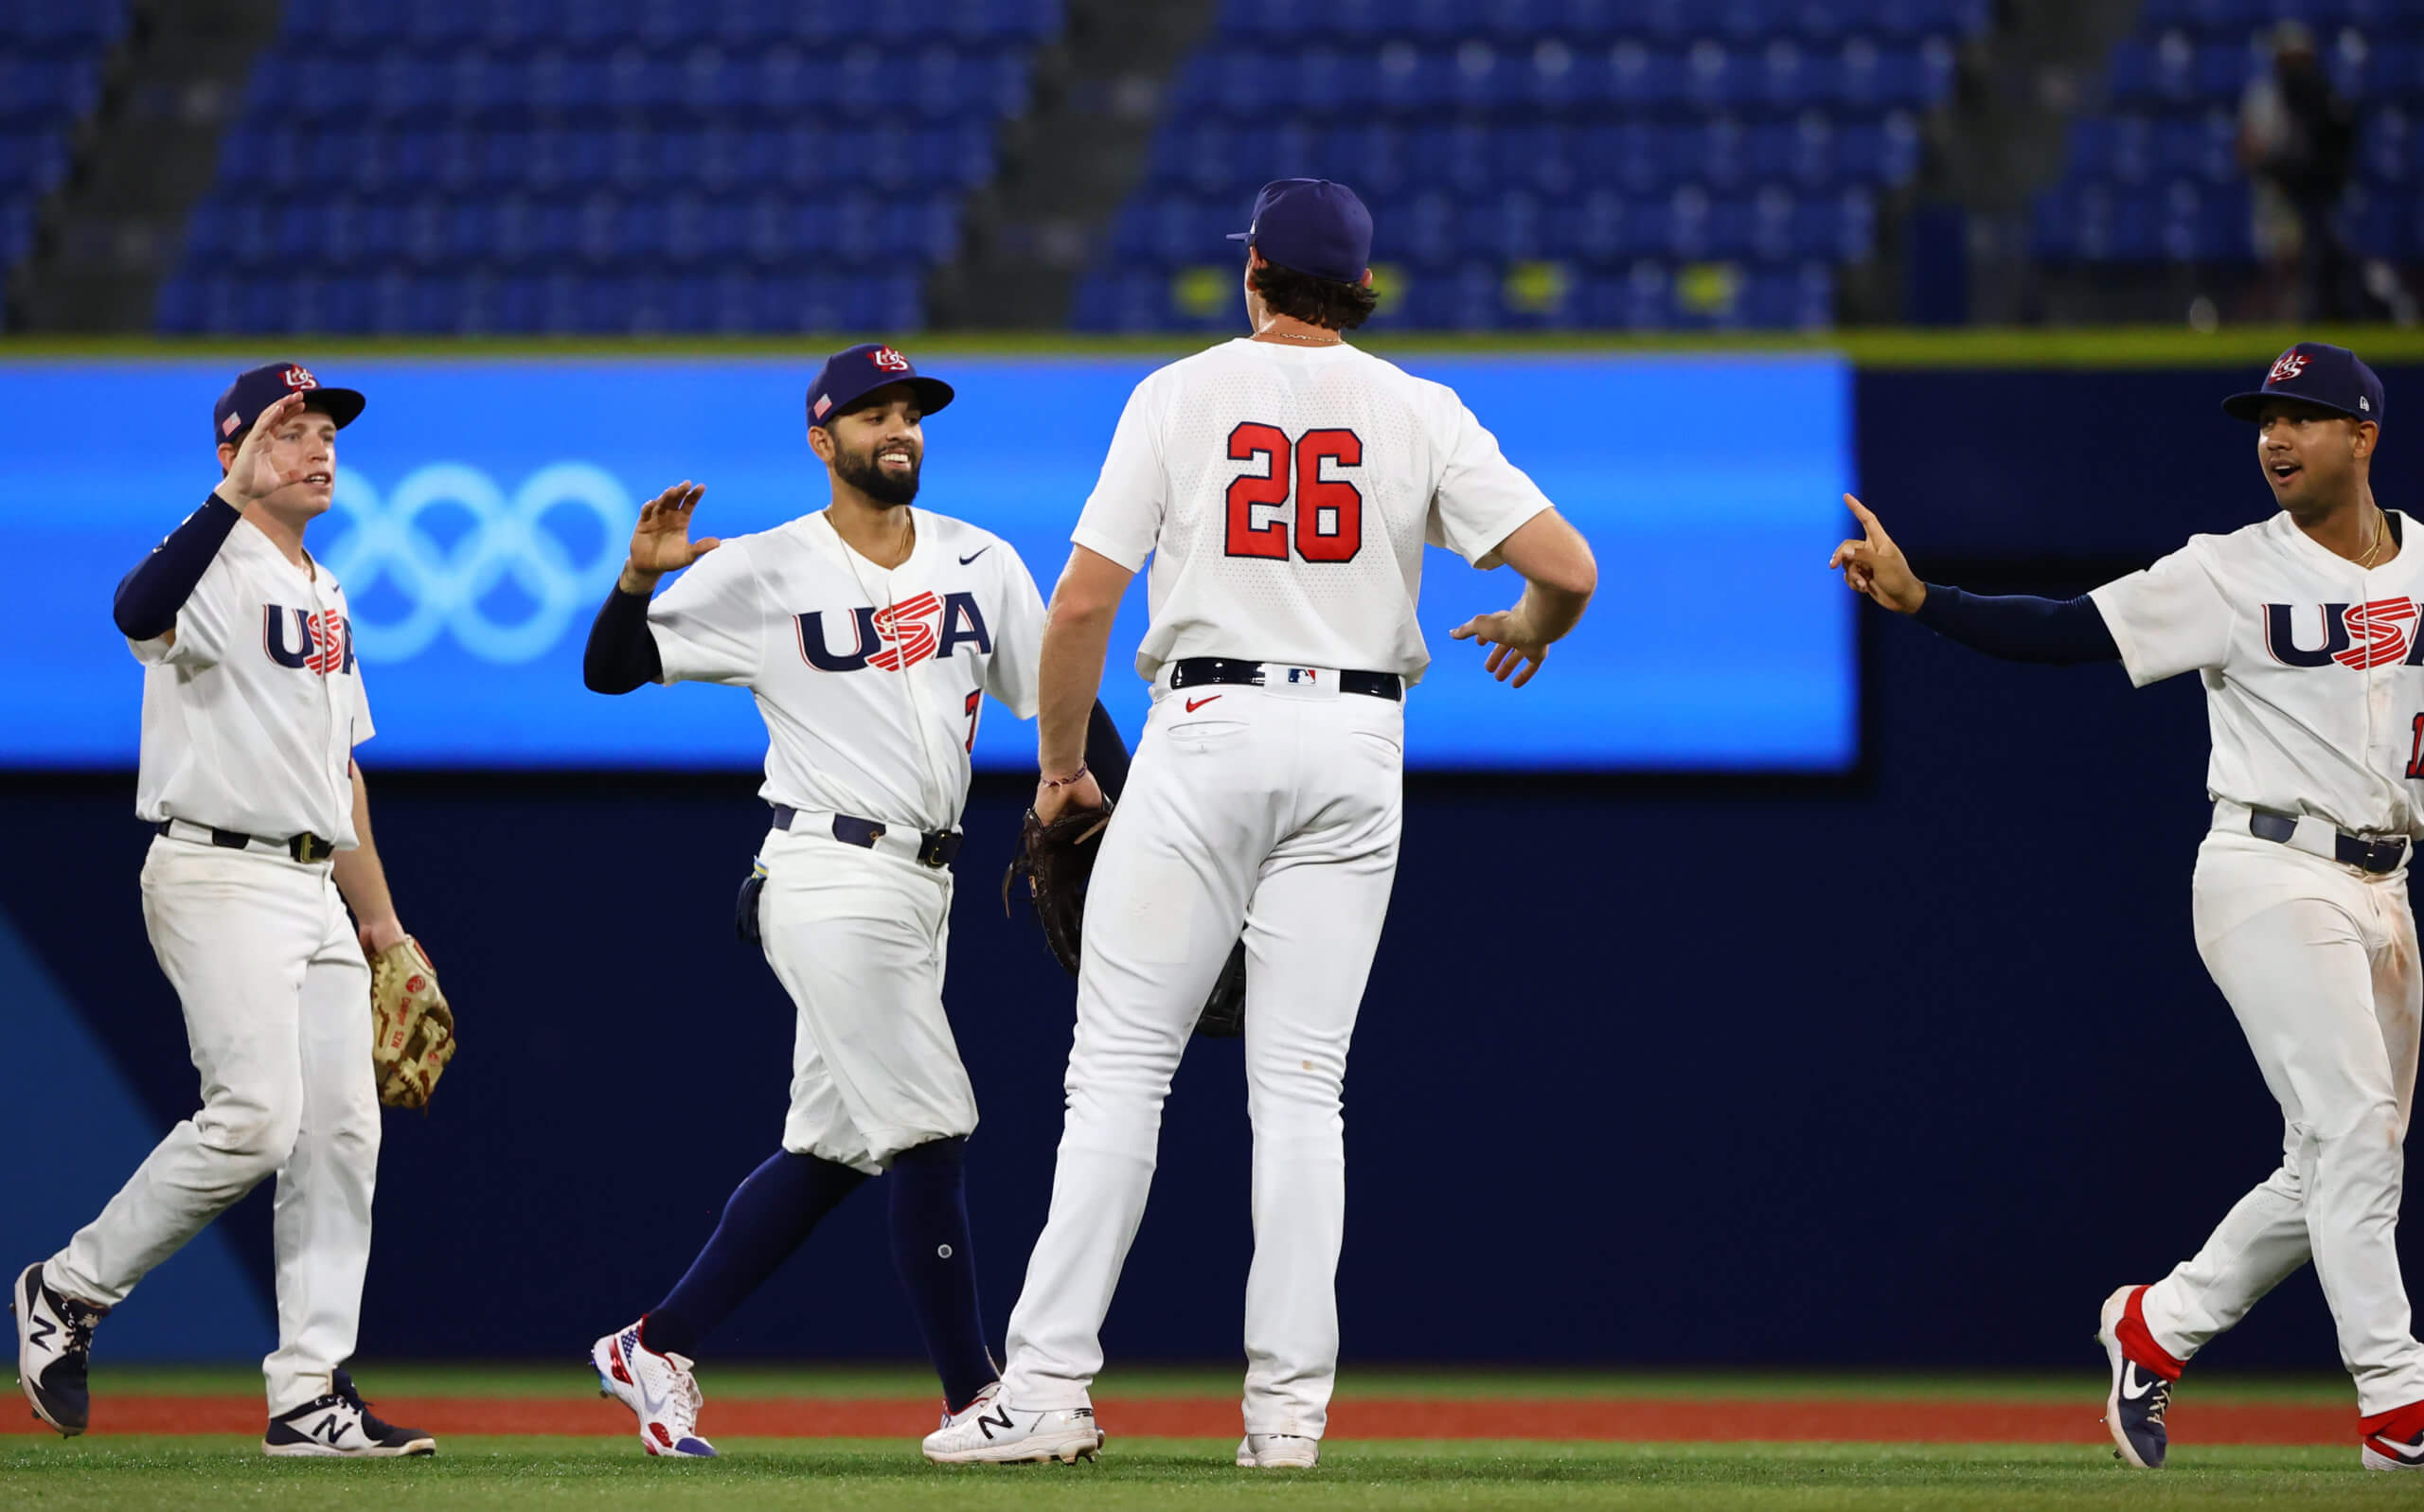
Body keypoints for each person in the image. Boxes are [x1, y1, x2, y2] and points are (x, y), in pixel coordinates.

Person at [920, 178, 1598, 1469]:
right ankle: (1286, 1421)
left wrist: (1063, 766)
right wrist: (1527, 627)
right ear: (1357, 287)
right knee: (1302, 1094)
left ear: (1255, 276)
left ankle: (1050, 1387)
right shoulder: (1419, 406)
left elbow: (1076, 611)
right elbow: (1568, 568)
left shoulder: (1179, 393)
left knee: (1121, 1070)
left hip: (1210, 728)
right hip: (1357, 746)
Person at [1829, 342, 2424, 1473]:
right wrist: (1922, 601)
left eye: (2302, 416)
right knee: (2355, 1134)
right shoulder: (2226, 571)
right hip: (2267, 867)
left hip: (2387, 885)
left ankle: (2158, 1324)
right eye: (2264, 418)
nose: (2276, 436)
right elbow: (2067, 629)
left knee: (2336, 1161)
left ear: (2365, 437)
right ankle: (2399, 1405)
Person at [579, 343, 1129, 1458]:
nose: (900, 428)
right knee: (932, 1122)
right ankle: (976, 1397)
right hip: (827, 870)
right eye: (873, 413)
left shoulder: (981, 559)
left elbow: (1060, 702)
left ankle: (657, 1342)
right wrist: (639, 578)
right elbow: (611, 669)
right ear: (822, 440)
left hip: (927, 878)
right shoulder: (770, 565)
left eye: (911, 411)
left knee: (833, 1146)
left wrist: (1122, 817)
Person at [12, 363, 436, 1458]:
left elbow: (341, 772)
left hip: (312, 885)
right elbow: (132, 611)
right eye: (290, 430)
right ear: (234, 450)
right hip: (216, 870)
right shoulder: (206, 560)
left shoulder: (326, 590)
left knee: (342, 1133)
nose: (318, 447)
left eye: (326, 430)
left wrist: (383, 927)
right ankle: (66, 1289)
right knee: (254, 1117)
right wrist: (227, 496)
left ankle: (309, 1396)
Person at [2239, 21, 2358, 322]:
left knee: (2317, 269)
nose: (2294, 67)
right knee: (2282, 266)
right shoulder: (2263, 97)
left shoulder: (2322, 95)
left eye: (2300, 59)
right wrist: (2278, 160)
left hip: (2314, 196)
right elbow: (2248, 150)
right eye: (2288, 59)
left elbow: (2338, 145)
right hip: (2276, 196)